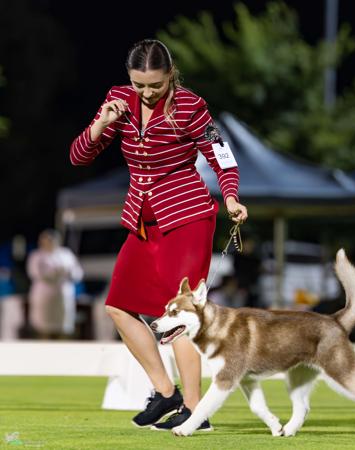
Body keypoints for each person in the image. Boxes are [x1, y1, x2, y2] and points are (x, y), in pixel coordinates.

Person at [69, 39, 248, 431]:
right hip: (142, 220)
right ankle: (166, 393)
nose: (147, 93)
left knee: (180, 312)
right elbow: (78, 157)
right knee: (118, 306)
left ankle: (195, 411)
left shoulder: (191, 106)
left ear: (171, 75)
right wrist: (101, 124)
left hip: (188, 217)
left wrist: (232, 196)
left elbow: (222, 156)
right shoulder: (118, 100)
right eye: (139, 85)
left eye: (156, 85)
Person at [26, 229, 83, 339]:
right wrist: (54, 273)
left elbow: (77, 272)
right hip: (44, 295)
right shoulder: (36, 255)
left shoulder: (66, 254)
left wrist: (69, 272)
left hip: (63, 295)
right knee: (43, 324)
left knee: (63, 324)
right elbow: (34, 273)